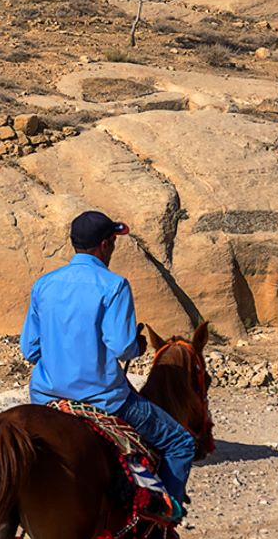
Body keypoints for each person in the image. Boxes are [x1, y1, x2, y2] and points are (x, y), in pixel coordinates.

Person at [20, 210, 195, 515]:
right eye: (113, 242)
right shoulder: (114, 285)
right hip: (102, 399)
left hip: (46, 397)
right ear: (104, 245)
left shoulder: (44, 285)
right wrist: (137, 347)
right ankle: (163, 513)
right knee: (181, 443)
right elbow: (122, 346)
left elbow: (30, 349)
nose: (112, 249)